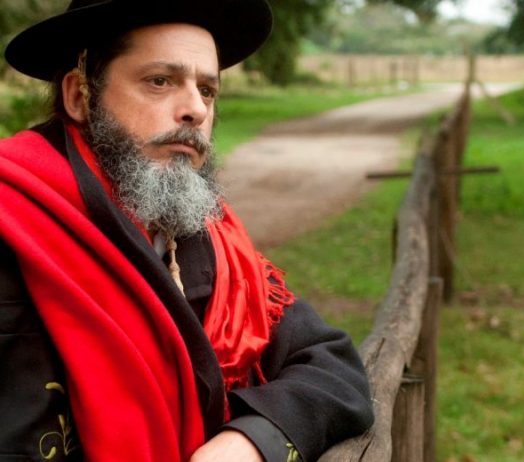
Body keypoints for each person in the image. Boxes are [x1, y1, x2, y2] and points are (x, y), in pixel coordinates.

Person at [0, 1, 374, 461]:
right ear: (80, 95)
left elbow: (332, 366)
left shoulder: (210, 236)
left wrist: (255, 438)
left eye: (207, 90)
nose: (196, 109)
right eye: (160, 81)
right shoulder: (12, 226)